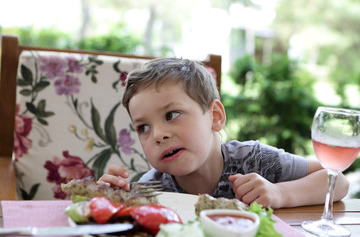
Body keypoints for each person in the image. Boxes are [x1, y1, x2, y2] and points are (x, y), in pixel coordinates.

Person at [98, 57, 349, 209]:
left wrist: (279, 193)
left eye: (171, 115)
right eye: (144, 127)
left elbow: (337, 180)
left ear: (215, 117)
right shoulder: (150, 190)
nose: (158, 135)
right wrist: (113, 204)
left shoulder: (255, 160)